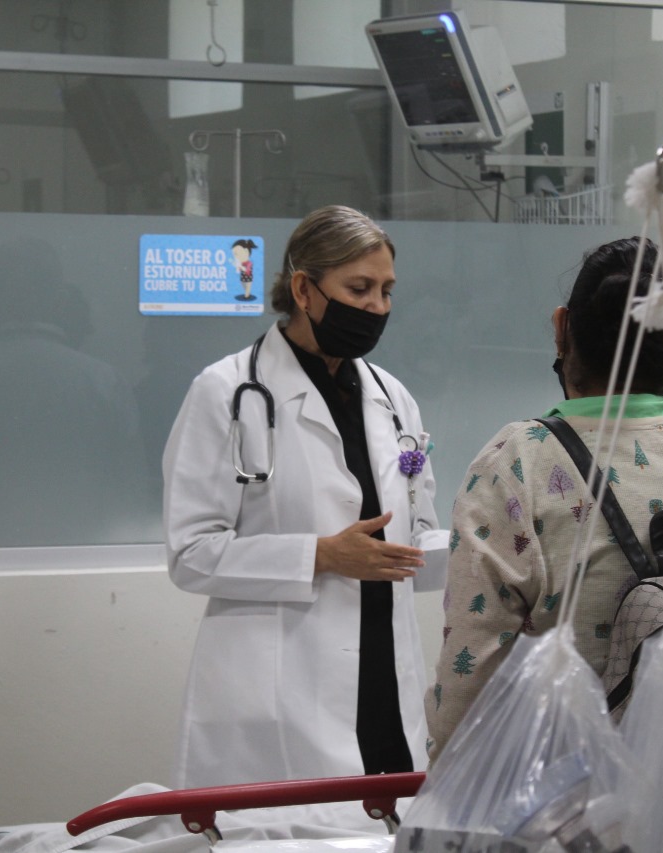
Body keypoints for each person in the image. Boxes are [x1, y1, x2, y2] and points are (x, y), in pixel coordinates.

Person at [426, 237, 663, 759]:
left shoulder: (516, 467)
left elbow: (468, 692)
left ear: (562, 329)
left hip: (573, 798)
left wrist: (447, 778)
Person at [163, 205, 449, 788]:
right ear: (303, 290)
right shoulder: (226, 392)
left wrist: (480, 547)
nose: (378, 307)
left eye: (387, 291)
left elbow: (415, 532)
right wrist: (320, 555)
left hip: (385, 679)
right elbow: (190, 554)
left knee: (387, 816)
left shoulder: (394, 400)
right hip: (281, 690)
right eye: (359, 289)